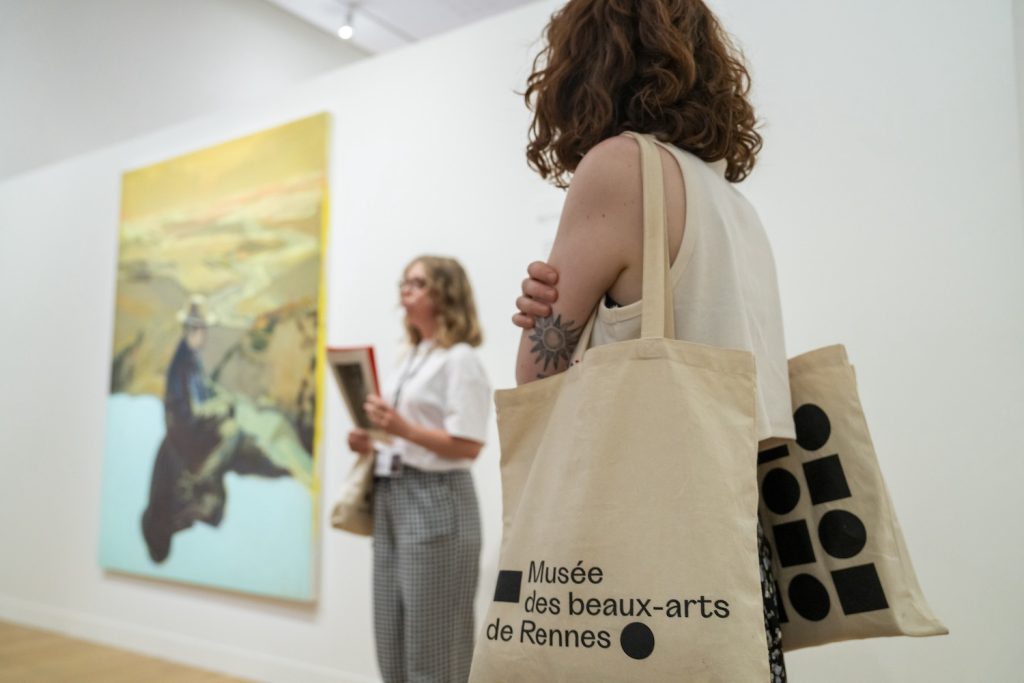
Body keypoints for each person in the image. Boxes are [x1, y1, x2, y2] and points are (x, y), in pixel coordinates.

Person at [509, 1, 795, 680]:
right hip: (731, 546)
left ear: (587, 61)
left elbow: (535, 377)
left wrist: (537, 326)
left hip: (642, 546)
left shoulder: (618, 167)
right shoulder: (733, 205)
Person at [347, 256, 490, 683]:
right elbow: (402, 436)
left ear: (446, 293)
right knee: (391, 635)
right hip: (394, 496)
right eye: (404, 282)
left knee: (434, 642)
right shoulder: (410, 357)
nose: (405, 290)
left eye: (418, 283)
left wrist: (402, 428)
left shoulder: (460, 359)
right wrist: (371, 440)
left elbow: (469, 443)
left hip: (437, 498)